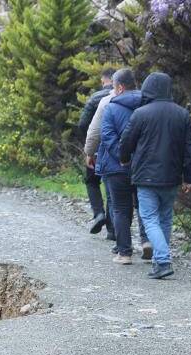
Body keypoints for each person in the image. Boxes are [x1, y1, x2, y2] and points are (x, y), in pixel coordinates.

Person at [120, 72, 191, 280]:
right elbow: (190, 149)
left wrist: (124, 158)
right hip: (172, 176)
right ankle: (158, 262)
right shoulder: (182, 114)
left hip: (146, 176)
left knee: (149, 219)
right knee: (164, 218)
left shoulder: (140, 113)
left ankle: (162, 261)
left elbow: (126, 142)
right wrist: (189, 177)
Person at [95, 68, 143, 265]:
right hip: (143, 166)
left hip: (117, 168)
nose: (112, 92)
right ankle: (148, 242)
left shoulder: (111, 108)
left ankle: (124, 252)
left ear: (120, 87)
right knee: (144, 206)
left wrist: (122, 157)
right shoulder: (147, 104)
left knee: (121, 209)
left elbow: (107, 136)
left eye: (113, 88)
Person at [77, 68, 115, 236]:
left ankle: (99, 213)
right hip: (115, 150)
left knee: (92, 182)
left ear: (102, 80)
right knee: (112, 188)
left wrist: (88, 149)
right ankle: (113, 230)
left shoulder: (95, 98)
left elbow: (82, 124)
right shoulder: (122, 97)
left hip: (96, 149)